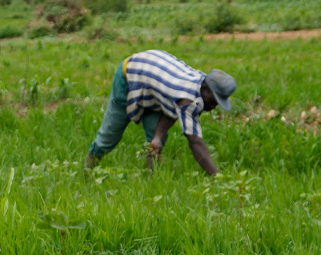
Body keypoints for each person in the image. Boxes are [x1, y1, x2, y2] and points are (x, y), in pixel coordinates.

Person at [86, 49, 235, 175]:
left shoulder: (199, 82)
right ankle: (88, 173)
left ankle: (150, 179)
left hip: (152, 84)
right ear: (205, 89)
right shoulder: (188, 99)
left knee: (156, 140)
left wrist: (157, 136)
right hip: (131, 74)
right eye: (214, 100)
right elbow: (195, 142)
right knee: (110, 133)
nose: (214, 106)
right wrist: (217, 177)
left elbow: (172, 108)